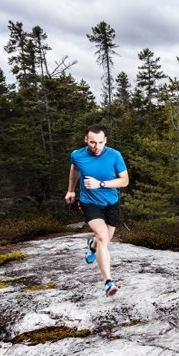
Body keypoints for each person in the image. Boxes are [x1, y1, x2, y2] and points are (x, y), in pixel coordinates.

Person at [65, 125, 129, 296]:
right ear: (86, 140)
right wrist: (71, 190)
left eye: (100, 142)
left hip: (111, 203)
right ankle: (109, 282)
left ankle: (92, 245)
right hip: (89, 203)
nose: (97, 146)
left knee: (104, 241)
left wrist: (100, 184)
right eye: (93, 142)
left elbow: (124, 181)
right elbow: (74, 168)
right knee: (102, 237)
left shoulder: (114, 155)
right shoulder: (77, 155)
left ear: (105, 140)